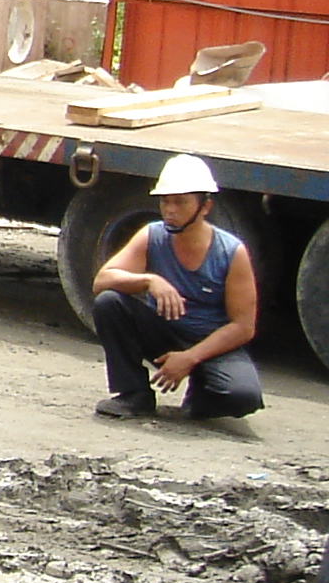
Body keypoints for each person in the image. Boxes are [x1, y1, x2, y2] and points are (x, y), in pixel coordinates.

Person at [91, 154, 261, 421]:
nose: (170, 210)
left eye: (180, 202)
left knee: (242, 397)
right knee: (109, 302)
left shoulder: (231, 252)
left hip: (209, 343)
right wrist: (148, 280)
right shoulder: (152, 235)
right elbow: (102, 281)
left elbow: (243, 326)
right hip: (164, 333)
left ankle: (201, 397)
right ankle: (133, 394)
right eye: (165, 202)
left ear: (204, 206)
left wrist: (190, 357)